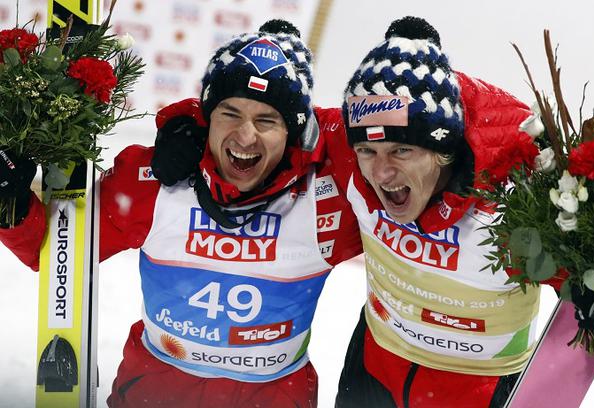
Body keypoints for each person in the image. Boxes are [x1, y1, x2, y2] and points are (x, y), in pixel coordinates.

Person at [0, 20, 362, 408]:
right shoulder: (156, 182)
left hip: (272, 396)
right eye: (230, 113)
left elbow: (375, 137)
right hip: (156, 392)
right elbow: (58, 254)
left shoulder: (327, 196)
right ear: (209, 118)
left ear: (296, 131)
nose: (245, 136)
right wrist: (11, 204)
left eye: (267, 120)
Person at [329, 16, 594, 408]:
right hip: (373, 373)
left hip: (477, 390)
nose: (382, 173)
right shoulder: (347, 149)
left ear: (443, 151)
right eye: (368, 151)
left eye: (402, 151)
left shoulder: (519, 186)